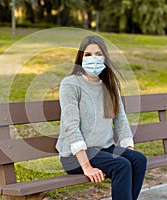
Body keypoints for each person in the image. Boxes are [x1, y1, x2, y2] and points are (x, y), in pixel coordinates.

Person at [56, 35, 147, 200]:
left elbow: (120, 119)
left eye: (98, 54)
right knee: (121, 165)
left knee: (138, 160)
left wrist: (128, 149)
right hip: (75, 156)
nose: (94, 59)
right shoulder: (70, 84)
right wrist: (86, 166)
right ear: (80, 58)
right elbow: (71, 126)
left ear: (105, 57)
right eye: (88, 55)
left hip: (105, 149)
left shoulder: (109, 85)